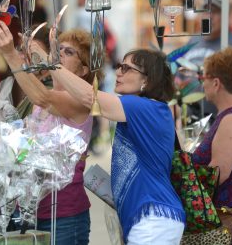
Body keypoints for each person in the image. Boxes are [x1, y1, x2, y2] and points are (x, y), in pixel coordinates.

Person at [36, 44, 187, 244]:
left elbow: (91, 97)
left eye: (127, 68)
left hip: (154, 219)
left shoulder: (144, 107)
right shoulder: (145, 108)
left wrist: (52, 64)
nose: (118, 72)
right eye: (119, 66)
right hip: (149, 218)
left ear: (147, 80)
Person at [0, 22, 101, 245]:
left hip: (63, 216)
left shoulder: (80, 101)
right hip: (29, 212)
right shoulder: (42, 99)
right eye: (58, 48)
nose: (60, 53)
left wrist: (10, 54)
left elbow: (42, 97)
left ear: (83, 70)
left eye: (69, 52)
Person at [192, 47, 232, 244]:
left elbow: (218, 172)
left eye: (204, 79)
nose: (202, 85)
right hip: (226, 218)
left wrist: (184, 187)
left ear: (216, 83)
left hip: (222, 220)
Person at [181, 0, 232, 121]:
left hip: (222, 121)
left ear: (225, 16)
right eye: (205, 11)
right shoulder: (193, 40)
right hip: (190, 118)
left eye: (214, 12)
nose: (209, 16)